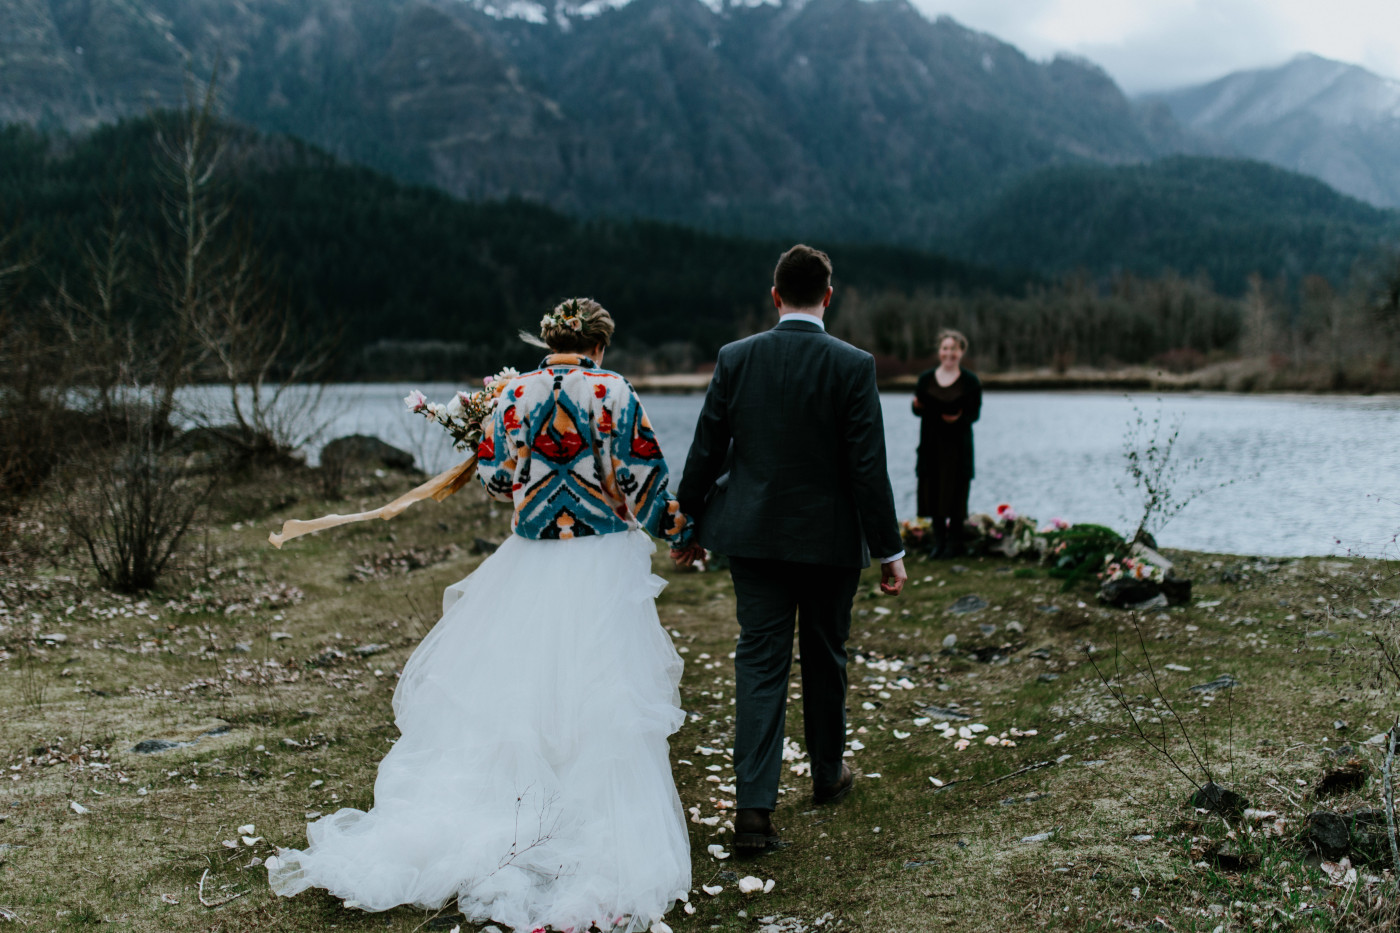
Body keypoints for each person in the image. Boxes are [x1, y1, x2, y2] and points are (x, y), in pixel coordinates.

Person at [268, 299, 695, 933]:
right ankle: (588, 827)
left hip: (532, 559)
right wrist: (682, 532)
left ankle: (521, 820)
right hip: (600, 559)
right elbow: (644, 478)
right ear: (600, 344)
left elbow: (496, 480)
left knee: (519, 692)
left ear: (550, 341)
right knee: (600, 693)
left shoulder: (512, 396)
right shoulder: (613, 391)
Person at [674, 244, 907, 853]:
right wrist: (889, 549)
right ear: (829, 296)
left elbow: (705, 451)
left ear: (775, 296)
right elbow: (868, 467)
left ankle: (753, 811)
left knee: (759, 663)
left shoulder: (735, 358)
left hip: (753, 539)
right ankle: (828, 775)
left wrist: (687, 527)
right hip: (830, 544)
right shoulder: (854, 365)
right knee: (826, 655)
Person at [912, 329, 982, 558]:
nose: (949, 353)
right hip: (931, 446)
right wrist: (918, 407)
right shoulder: (926, 379)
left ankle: (955, 544)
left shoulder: (970, 381)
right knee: (932, 492)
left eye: (954, 348)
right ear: (939, 351)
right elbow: (917, 408)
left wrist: (958, 418)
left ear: (961, 351)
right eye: (945, 348)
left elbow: (974, 414)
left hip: (958, 448)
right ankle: (938, 543)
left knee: (956, 495)